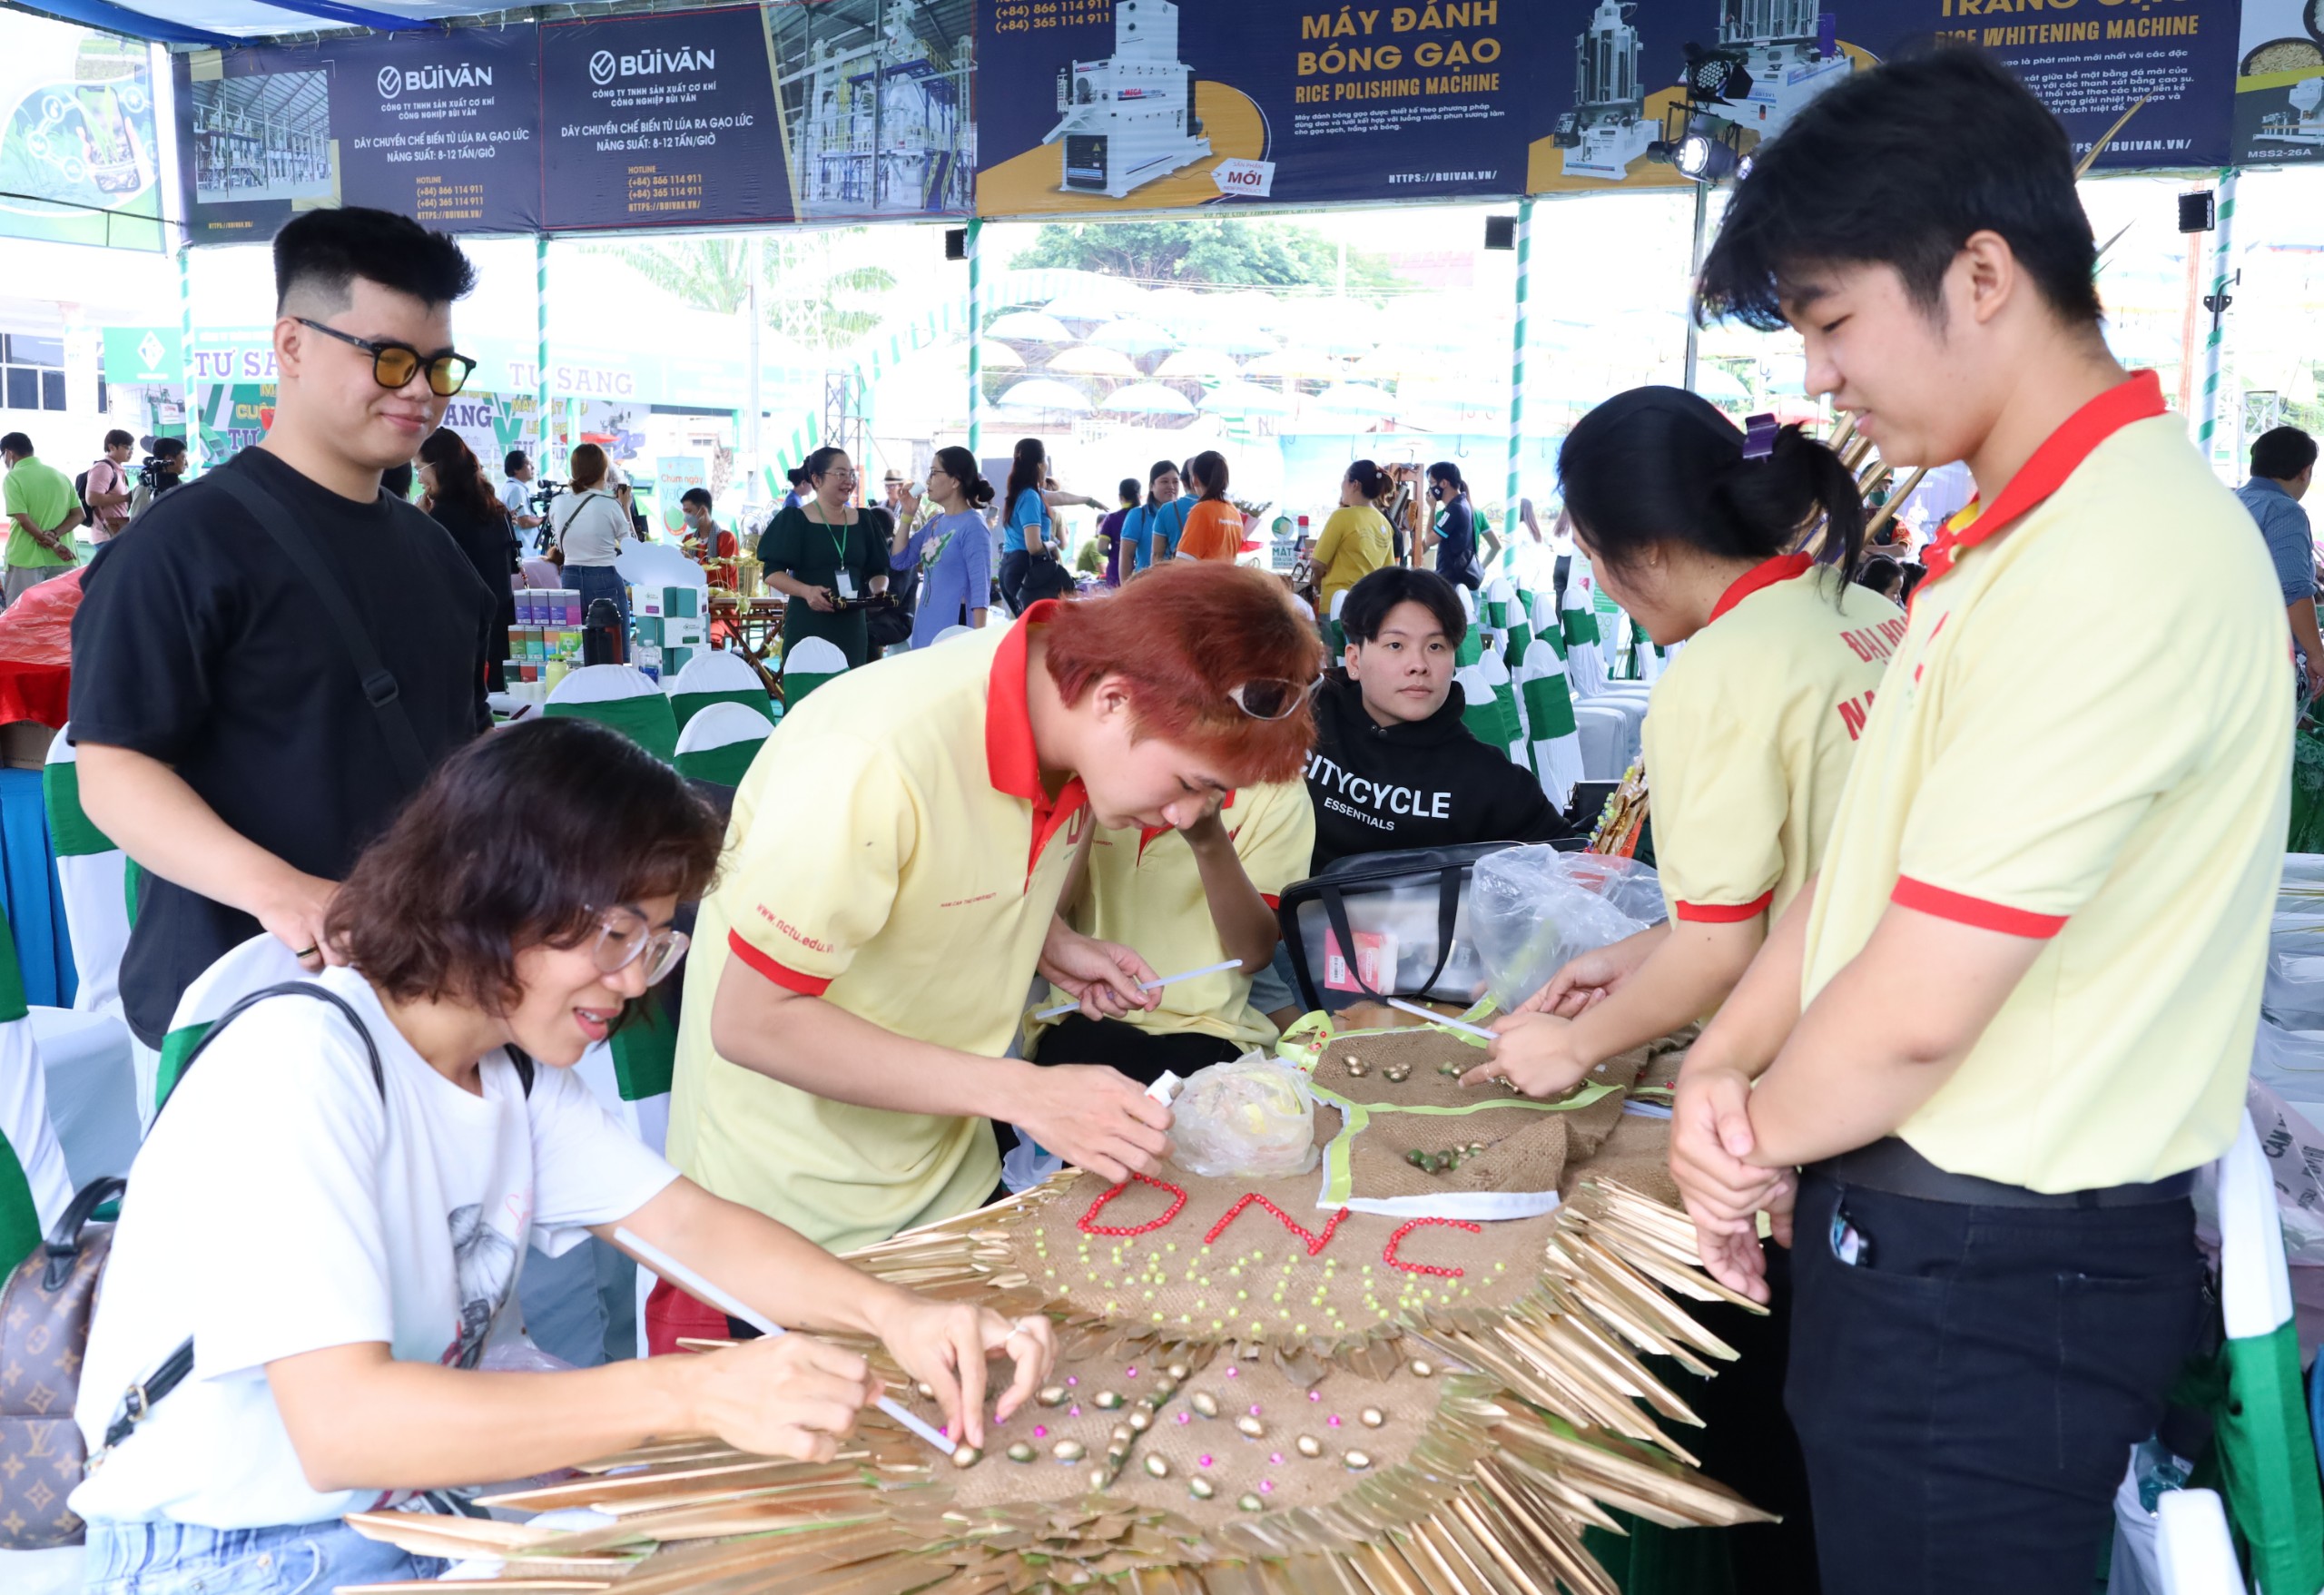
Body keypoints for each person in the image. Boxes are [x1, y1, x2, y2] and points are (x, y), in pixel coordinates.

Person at [1671, 47, 2290, 1594]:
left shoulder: (2122, 554)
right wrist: (1722, 1062)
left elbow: (1915, 1010)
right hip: (1917, 1248)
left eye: (1830, 319)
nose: (1817, 377)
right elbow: (1859, 879)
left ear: (1985, 273)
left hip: (1997, 1279)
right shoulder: (2000, 543)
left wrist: (1738, 1147)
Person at [71, 719, 1055, 1594]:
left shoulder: (509, 1071)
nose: (631, 981)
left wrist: (901, 1312)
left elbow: (685, 1225)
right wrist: (694, 1391)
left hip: (409, 1510)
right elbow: (343, 1428)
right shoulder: (303, 1063)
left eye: (656, 941)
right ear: (491, 892)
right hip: (225, 1547)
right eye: (614, 931)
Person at [658, 565, 1322, 1322]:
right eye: (1189, 782)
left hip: (949, 1178)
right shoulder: (874, 756)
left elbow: (952, 870)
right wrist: (1023, 1093)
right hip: (792, 1220)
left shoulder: (1070, 732)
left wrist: (1051, 940)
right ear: (1115, 699)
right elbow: (753, 1020)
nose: (1187, 815)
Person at [69, 205, 497, 1057]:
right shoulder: (180, 548)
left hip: (421, 1001)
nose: (419, 390)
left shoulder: (437, 555)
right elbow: (113, 773)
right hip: (242, 1014)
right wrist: (290, 895)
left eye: (439, 365)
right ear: (293, 345)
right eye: (390, 358)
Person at [1484, 386, 1896, 1098]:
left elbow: (1719, 951)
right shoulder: (1863, 609)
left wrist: (1574, 1045)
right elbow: (1800, 881)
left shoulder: (1715, 674)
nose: (1603, 587)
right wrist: (1638, 956)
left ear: (1645, 547)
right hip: (1915, 1006)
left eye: (1592, 556)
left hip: (1835, 1056)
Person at [1035, 775, 1314, 1085]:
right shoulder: (1095, 766)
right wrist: (1091, 792)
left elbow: (1252, 954)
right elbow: (1043, 923)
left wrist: (1208, 840)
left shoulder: (1276, 792)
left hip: (1212, 1029)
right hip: (1084, 1014)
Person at [1304, 566, 1571, 873]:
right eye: (1396, 645)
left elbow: (1571, 867)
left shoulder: (1489, 781)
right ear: (1354, 660)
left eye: (1435, 646)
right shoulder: (1303, 716)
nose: (1418, 665)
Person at [760, 445, 888, 669]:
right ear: (817, 480)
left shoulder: (864, 520)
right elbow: (772, 573)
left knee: (849, 696)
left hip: (852, 629)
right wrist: (806, 591)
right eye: (840, 474)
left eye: (851, 474)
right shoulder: (795, 519)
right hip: (809, 625)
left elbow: (879, 569)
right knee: (808, 697)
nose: (849, 480)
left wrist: (879, 591)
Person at [418, 428, 518, 693]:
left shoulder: (442, 518)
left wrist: (418, 524)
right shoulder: (496, 508)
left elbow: (424, 578)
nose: (419, 479)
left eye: (420, 469)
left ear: (438, 466)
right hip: (501, 632)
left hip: (464, 638)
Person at [2236, 425, 2324, 704]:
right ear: (2305, 471)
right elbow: (2293, 589)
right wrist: (2316, 654)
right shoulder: (2284, 510)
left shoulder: (2233, 500)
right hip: (2262, 658)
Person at [891, 445, 996, 649]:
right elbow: (899, 560)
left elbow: (980, 588)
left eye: (934, 473)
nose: (928, 480)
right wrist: (908, 514)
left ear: (955, 481)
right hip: (927, 625)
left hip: (954, 629)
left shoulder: (973, 525)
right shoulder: (935, 523)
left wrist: (979, 643)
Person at [997, 438, 1099, 614]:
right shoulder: (1030, 496)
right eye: (1045, 460)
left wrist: (1087, 500)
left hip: (1010, 566)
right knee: (1039, 629)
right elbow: (1034, 547)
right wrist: (1054, 543)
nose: (1046, 464)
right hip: (1026, 570)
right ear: (1039, 465)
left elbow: (1060, 497)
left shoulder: (1022, 492)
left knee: (1027, 628)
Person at [549, 443, 635, 636]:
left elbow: (560, 544)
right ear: (603, 471)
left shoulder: (557, 502)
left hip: (569, 577)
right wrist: (626, 507)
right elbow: (631, 548)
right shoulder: (610, 505)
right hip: (604, 578)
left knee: (576, 647)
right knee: (613, 647)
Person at [2, 431, 82, 605]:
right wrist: (55, 534)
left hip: (26, 559)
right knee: (60, 620)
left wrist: (53, 544)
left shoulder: (14, 477)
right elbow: (79, 515)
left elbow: (23, 519)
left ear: (9, 453)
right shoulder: (60, 476)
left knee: (21, 618)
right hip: (64, 558)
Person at [1312, 459, 1394, 615]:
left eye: (1344, 479)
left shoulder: (1342, 517)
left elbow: (1317, 564)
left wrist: (1316, 580)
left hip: (1338, 607)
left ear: (1354, 484)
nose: (1341, 484)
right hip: (1370, 607)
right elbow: (1388, 573)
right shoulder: (1384, 523)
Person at [1421, 461, 1494, 589]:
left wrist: (1432, 508)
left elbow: (1429, 540)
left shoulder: (1455, 509)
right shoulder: (1463, 504)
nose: (1430, 489)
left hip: (1452, 581)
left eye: (1432, 483)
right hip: (1456, 580)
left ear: (1443, 483)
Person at [1119, 459, 1187, 576]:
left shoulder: (1186, 513)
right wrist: (1126, 589)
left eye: (1175, 482)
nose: (1171, 486)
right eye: (1164, 481)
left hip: (1179, 585)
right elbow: (1126, 556)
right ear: (1151, 486)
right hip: (1145, 587)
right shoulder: (1137, 515)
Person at [1173, 451, 1244, 563]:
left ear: (1195, 479)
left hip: (1203, 579)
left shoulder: (1202, 510)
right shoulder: (1234, 512)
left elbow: (1183, 563)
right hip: (1227, 579)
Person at [84, 428, 135, 542]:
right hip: (106, 535)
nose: (131, 452)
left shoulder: (117, 469)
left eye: (132, 448)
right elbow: (92, 498)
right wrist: (126, 497)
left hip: (115, 533)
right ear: (111, 447)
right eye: (127, 448)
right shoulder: (103, 468)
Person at [123, 437, 188, 524]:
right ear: (169, 459)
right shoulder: (145, 488)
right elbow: (137, 524)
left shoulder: (182, 486)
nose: (187, 463)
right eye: (183, 458)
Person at [680, 486, 736, 561]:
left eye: (689, 511)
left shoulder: (726, 539)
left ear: (703, 511)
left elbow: (726, 571)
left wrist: (693, 561)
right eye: (685, 512)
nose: (686, 517)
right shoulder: (688, 540)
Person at [1099, 477, 1137, 586]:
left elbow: (1101, 548)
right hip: (1141, 572)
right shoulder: (1144, 516)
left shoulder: (1111, 518)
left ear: (1120, 497)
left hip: (1116, 571)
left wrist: (1114, 553)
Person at [500, 448, 542, 535]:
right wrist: (545, 519)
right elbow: (524, 522)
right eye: (529, 464)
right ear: (516, 469)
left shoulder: (509, 487)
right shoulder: (517, 490)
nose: (533, 467)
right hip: (523, 545)